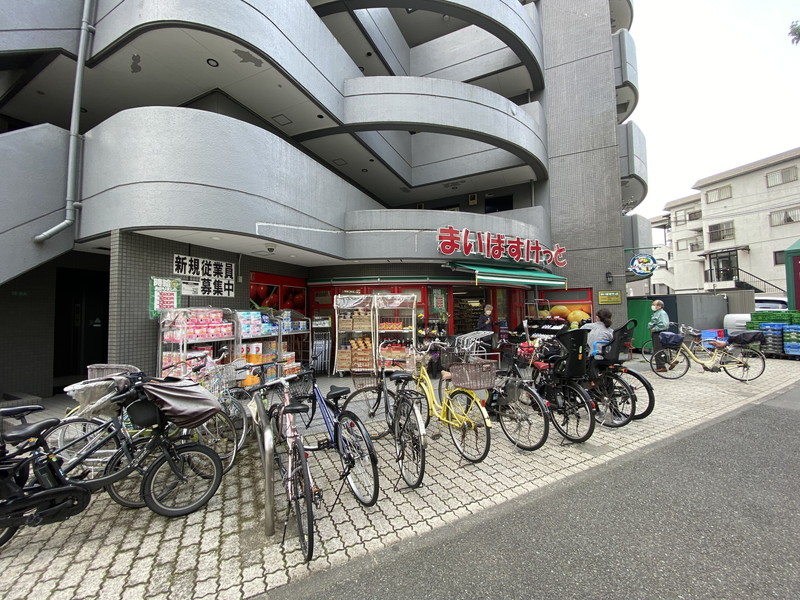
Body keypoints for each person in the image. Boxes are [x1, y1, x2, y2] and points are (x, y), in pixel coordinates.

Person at [648, 299, 670, 372]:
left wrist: (655, 329)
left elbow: (664, 324)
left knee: (657, 350)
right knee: (660, 349)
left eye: (654, 305)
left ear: (659, 306)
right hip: (658, 332)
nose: (652, 306)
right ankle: (670, 362)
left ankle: (661, 367)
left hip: (659, 333)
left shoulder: (661, 313)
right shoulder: (657, 312)